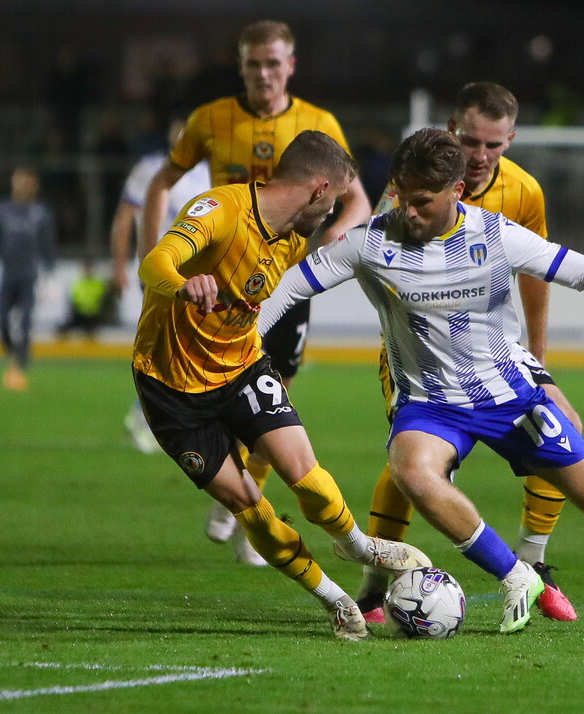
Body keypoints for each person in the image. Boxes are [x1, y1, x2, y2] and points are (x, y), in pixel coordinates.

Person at [257, 128, 584, 636]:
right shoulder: (369, 244)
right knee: (411, 470)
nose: (409, 212)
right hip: (430, 404)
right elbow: (288, 288)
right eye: (403, 198)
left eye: (423, 202)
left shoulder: (495, 237)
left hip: (512, 397)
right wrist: (245, 341)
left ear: (457, 192)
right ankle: (517, 575)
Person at [132, 130, 430, 641]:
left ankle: (359, 546)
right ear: (318, 191)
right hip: (172, 389)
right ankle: (334, 599)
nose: (334, 212)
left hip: (242, 366)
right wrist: (186, 283)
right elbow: (155, 261)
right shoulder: (220, 209)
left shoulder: (292, 240)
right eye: (333, 202)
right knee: (249, 504)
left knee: (304, 474)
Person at [139, 19, 373, 561]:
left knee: (274, 391)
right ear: (240, 66)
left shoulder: (318, 123)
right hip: (218, 279)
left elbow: (358, 197)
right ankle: (239, 495)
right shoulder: (211, 119)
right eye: (253, 64)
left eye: (273, 63)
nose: (263, 74)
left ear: (291, 66)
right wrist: (155, 260)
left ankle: (245, 501)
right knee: (221, 386)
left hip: (283, 276)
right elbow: (161, 182)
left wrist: (336, 233)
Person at [360, 83, 582, 623]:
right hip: (422, 357)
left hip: (497, 349)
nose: (480, 157)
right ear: (452, 129)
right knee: (410, 463)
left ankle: (535, 561)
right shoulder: (412, 187)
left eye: (493, 146)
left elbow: (539, 272)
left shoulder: (524, 192)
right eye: (469, 141)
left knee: (562, 424)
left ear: (511, 140)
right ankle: (372, 588)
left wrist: (539, 355)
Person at [110, 115, 210, 457]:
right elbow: (125, 218)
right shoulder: (150, 169)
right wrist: (121, 265)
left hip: (198, 278)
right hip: (160, 271)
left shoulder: (210, 174)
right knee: (170, 345)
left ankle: (155, 414)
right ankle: (146, 415)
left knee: (181, 347)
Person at [0, 166, 56, 391]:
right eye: (19, 181)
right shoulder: (0, 210)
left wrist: (49, 276)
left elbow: (47, 247)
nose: (23, 186)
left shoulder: (40, 213)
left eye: (27, 182)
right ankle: (11, 353)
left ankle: (20, 363)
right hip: (8, 273)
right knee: (1, 318)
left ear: (34, 185)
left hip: (28, 273)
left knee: (26, 320)